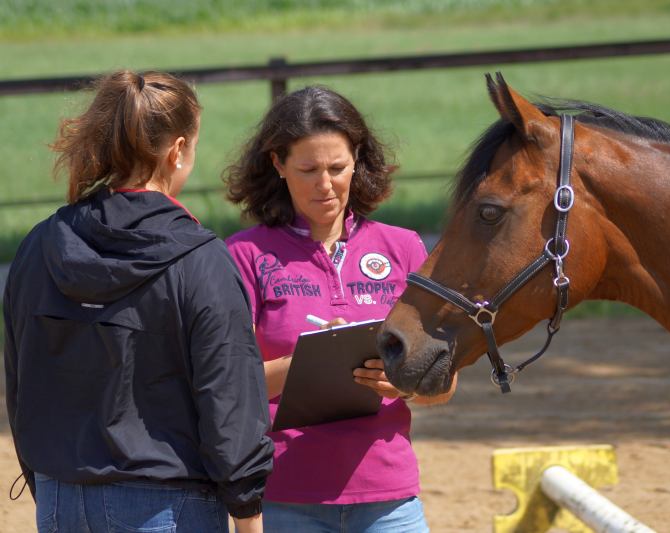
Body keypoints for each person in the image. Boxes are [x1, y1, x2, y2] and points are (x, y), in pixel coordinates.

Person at [2, 70, 273, 533]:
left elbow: (21, 376)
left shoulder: (41, 244)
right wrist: (247, 512)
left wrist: (49, 481)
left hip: (59, 497)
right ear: (178, 150)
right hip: (167, 503)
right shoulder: (202, 260)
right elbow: (228, 397)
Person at [224, 85, 457, 532]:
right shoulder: (243, 256)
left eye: (337, 167)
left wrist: (403, 383)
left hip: (389, 499)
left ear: (358, 159)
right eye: (308, 169)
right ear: (278, 164)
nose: (325, 184)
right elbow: (229, 383)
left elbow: (444, 384)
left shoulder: (403, 247)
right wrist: (311, 363)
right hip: (285, 496)